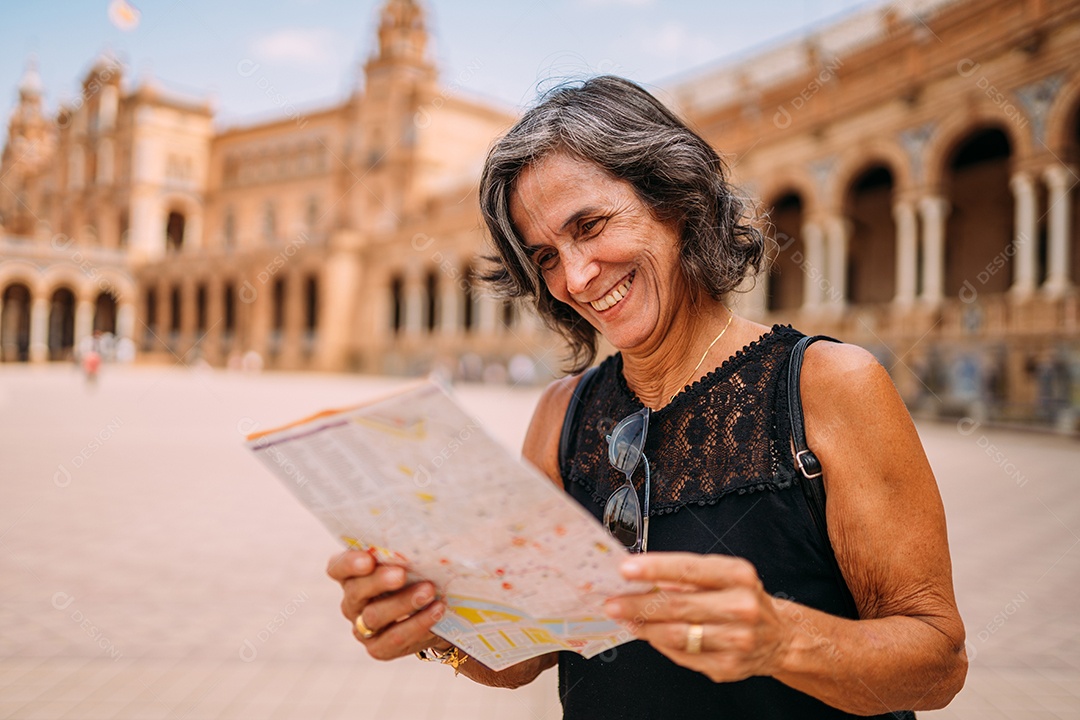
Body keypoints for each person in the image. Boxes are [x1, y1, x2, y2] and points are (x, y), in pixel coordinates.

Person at [327, 76, 966, 718]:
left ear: (674, 200)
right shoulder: (561, 415)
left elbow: (937, 662)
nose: (576, 277)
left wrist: (782, 641)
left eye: (591, 225)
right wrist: (432, 622)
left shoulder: (827, 386)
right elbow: (527, 652)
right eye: (545, 256)